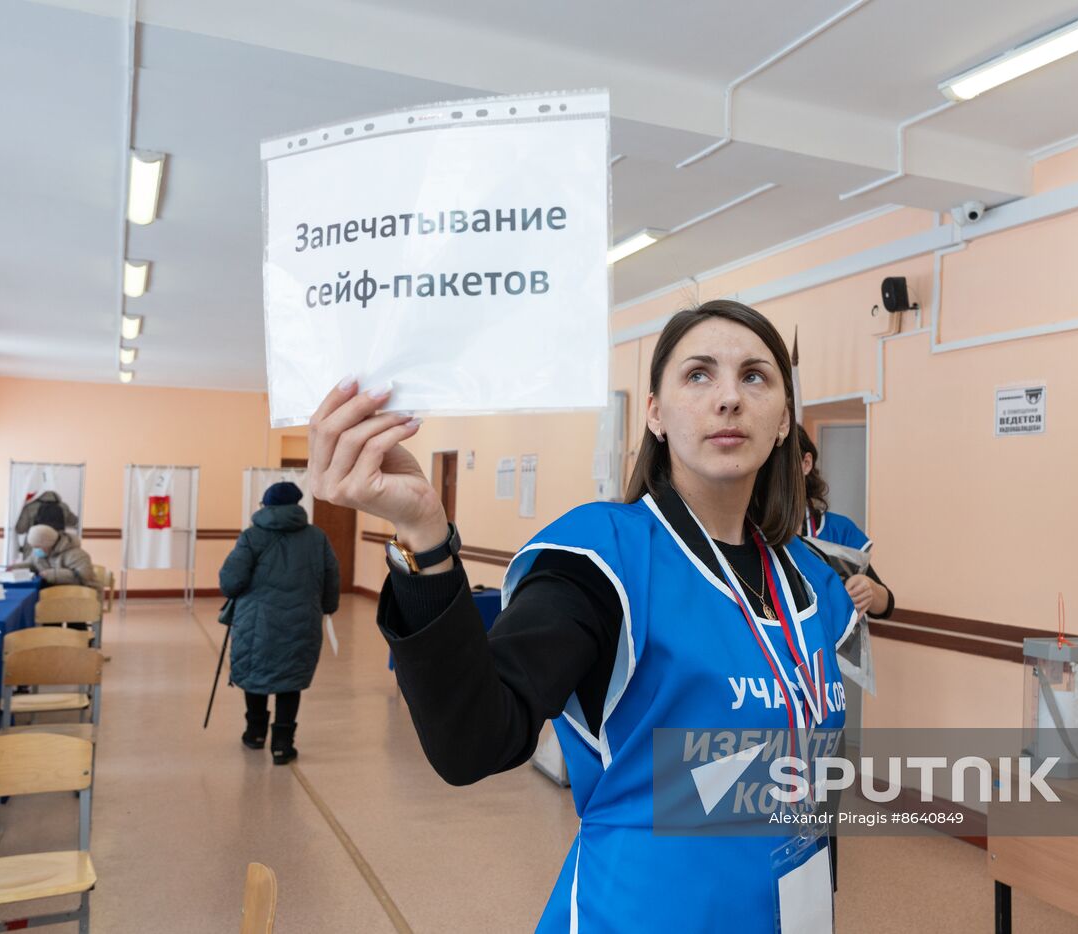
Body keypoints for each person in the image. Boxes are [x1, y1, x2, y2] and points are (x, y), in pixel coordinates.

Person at [307, 300, 857, 931]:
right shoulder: (604, 560)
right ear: (654, 412)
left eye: (755, 376)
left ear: (785, 420)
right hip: (641, 912)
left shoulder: (809, 578)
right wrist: (425, 540)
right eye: (698, 375)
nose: (728, 397)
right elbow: (475, 741)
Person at [218, 481, 340, 765]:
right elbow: (332, 577)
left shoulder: (251, 536)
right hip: (302, 619)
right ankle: (283, 745)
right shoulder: (317, 537)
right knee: (291, 679)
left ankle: (255, 733)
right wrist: (327, 608)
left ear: (266, 505)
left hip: (256, 621)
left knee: (255, 674)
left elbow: (230, 582)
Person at [796, 426, 895, 620]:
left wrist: (868, 589)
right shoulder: (746, 530)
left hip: (835, 648)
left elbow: (886, 606)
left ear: (806, 463)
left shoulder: (838, 530)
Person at [21, 525, 100, 590]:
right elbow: (30, 564)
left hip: (82, 595)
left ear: (48, 544)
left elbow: (83, 577)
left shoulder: (77, 555)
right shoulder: (40, 552)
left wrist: (52, 575)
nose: (35, 550)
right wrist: (15, 568)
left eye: (37, 546)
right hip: (55, 591)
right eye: (33, 547)